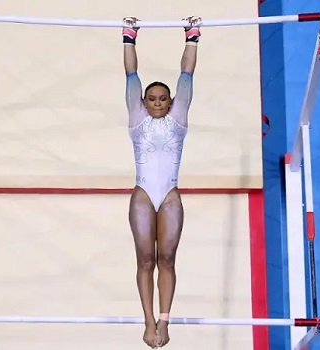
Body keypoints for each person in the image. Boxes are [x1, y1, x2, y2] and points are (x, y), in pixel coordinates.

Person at [122, 15, 201, 348]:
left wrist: (192, 37)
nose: (156, 102)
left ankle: (165, 322)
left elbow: (187, 73)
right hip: (142, 195)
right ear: (142, 103)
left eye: (162, 99)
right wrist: (129, 38)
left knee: (167, 260)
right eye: (151, 99)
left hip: (169, 196)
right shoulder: (137, 118)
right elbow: (130, 74)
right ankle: (148, 321)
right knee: (145, 261)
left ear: (172, 103)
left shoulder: (178, 119)